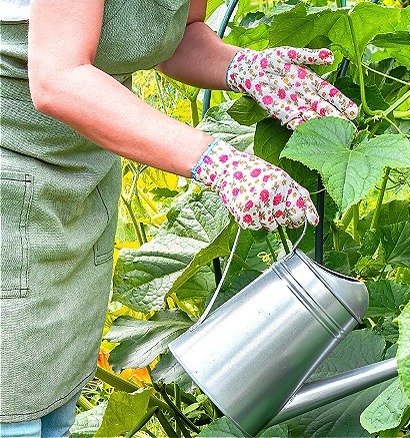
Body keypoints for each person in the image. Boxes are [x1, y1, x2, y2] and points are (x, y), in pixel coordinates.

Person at [0, 0, 357, 435]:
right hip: (10, 175)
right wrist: (215, 161)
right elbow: (58, 77)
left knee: (49, 387)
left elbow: (173, 34)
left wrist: (243, 67)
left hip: (74, 184)